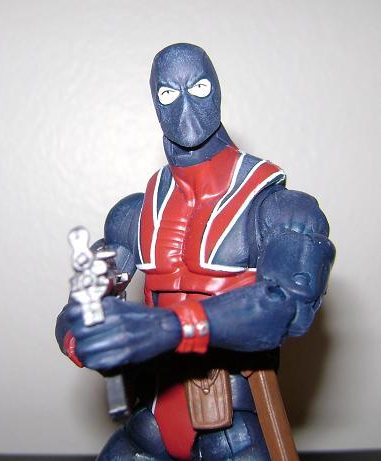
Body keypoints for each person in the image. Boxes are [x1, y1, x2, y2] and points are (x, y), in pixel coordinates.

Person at [56, 43, 335, 460]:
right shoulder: (134, 214)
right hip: (155, 411)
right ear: (155, 104)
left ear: (217, 91)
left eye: (198, 87)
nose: (185, 105)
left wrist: (173, 327)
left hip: (232, 419)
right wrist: (84, 337)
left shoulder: (277, 208)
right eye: (168, 93)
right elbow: (77, 309)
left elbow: (287, 306)